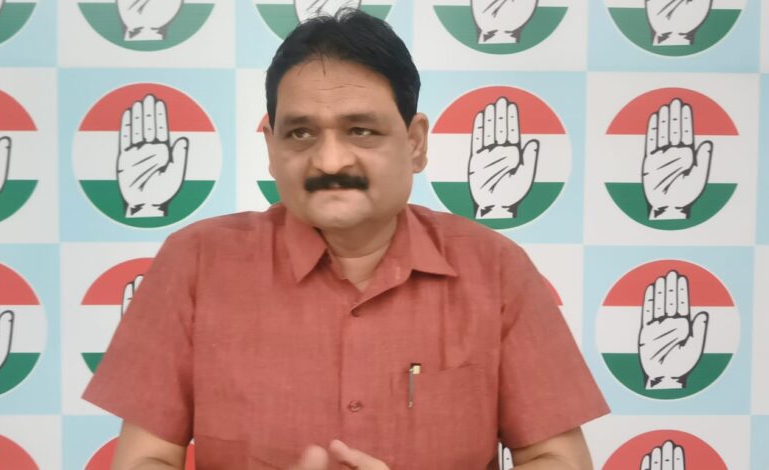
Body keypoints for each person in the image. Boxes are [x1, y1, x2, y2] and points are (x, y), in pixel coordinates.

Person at [84, 9, 609, 470]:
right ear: (270, 147)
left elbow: (557, 458)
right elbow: (145, 458)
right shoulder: (196, 263)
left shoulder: (494, 267)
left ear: (415, 143)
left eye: (361, 130)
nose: (330, 160)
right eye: (301, 132)